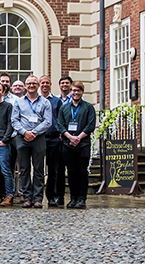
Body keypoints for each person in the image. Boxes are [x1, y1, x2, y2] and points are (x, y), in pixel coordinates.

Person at [11, 75, 53, 208]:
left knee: (39, 169)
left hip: (38, 138)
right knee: (24, 169)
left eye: (34, 83)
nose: (31, 86)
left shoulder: (45, 102)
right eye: (28, 84)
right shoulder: (19, 102)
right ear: (25, 86)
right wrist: (25, 132)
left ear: (38, 85)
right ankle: (27, 197)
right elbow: (14, 120)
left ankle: (38, 198)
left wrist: (34, 133)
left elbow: (48, 122)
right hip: (22, 138)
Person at [58, 81, 95, 209]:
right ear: (70, 92)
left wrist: (79, 137)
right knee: (71, 172)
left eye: (78, 90)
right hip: (68, 144)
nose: (75, 93)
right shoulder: (64, 108)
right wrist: (70, 137)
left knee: (82, 172)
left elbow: (90, 125)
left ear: (82, 92)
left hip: (83, 144)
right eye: (73, 90)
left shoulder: (88, 107)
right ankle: (73, 198)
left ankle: (81, 198)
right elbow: (60, 124)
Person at [40, 75, 65, 207]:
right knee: (38, 169)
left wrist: (61, 133)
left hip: (54, 138)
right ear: (40, 85)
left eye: (47, 83)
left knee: (53, 169)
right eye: (42, 83)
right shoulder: (35, 100)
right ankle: (37, 196)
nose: (45, 85)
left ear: (50, 85)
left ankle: (52, 196)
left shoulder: (56, 101)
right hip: (38, 138)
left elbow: (61, 118)